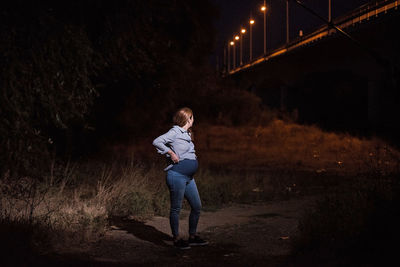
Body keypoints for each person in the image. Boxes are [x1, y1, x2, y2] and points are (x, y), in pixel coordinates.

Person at [152, 107, 208, 250]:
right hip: (177, 176)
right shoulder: (174, 132)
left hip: (189, 177)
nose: (193, 119)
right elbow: (157, 141)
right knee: (176, 208)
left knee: (197, 206)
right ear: (188, 118)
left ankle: (193, 236)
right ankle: (176, 239)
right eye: (192, 117)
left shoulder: (187, 133)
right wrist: (170, 153)